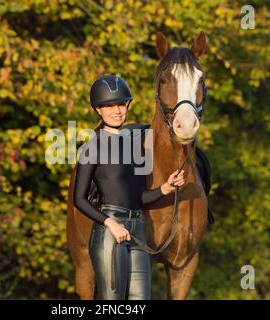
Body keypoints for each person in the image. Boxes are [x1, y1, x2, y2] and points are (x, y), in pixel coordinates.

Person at [73, 74, 185, 300]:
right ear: (98, 110)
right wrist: (110, 223)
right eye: (109, 106)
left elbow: (137, 197)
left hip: (138, 231)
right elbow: (80, 199)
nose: (117, 110)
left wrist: (165, 188)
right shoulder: (91, 147)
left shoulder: (135, 145)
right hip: (110, 232)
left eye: (121, 104)